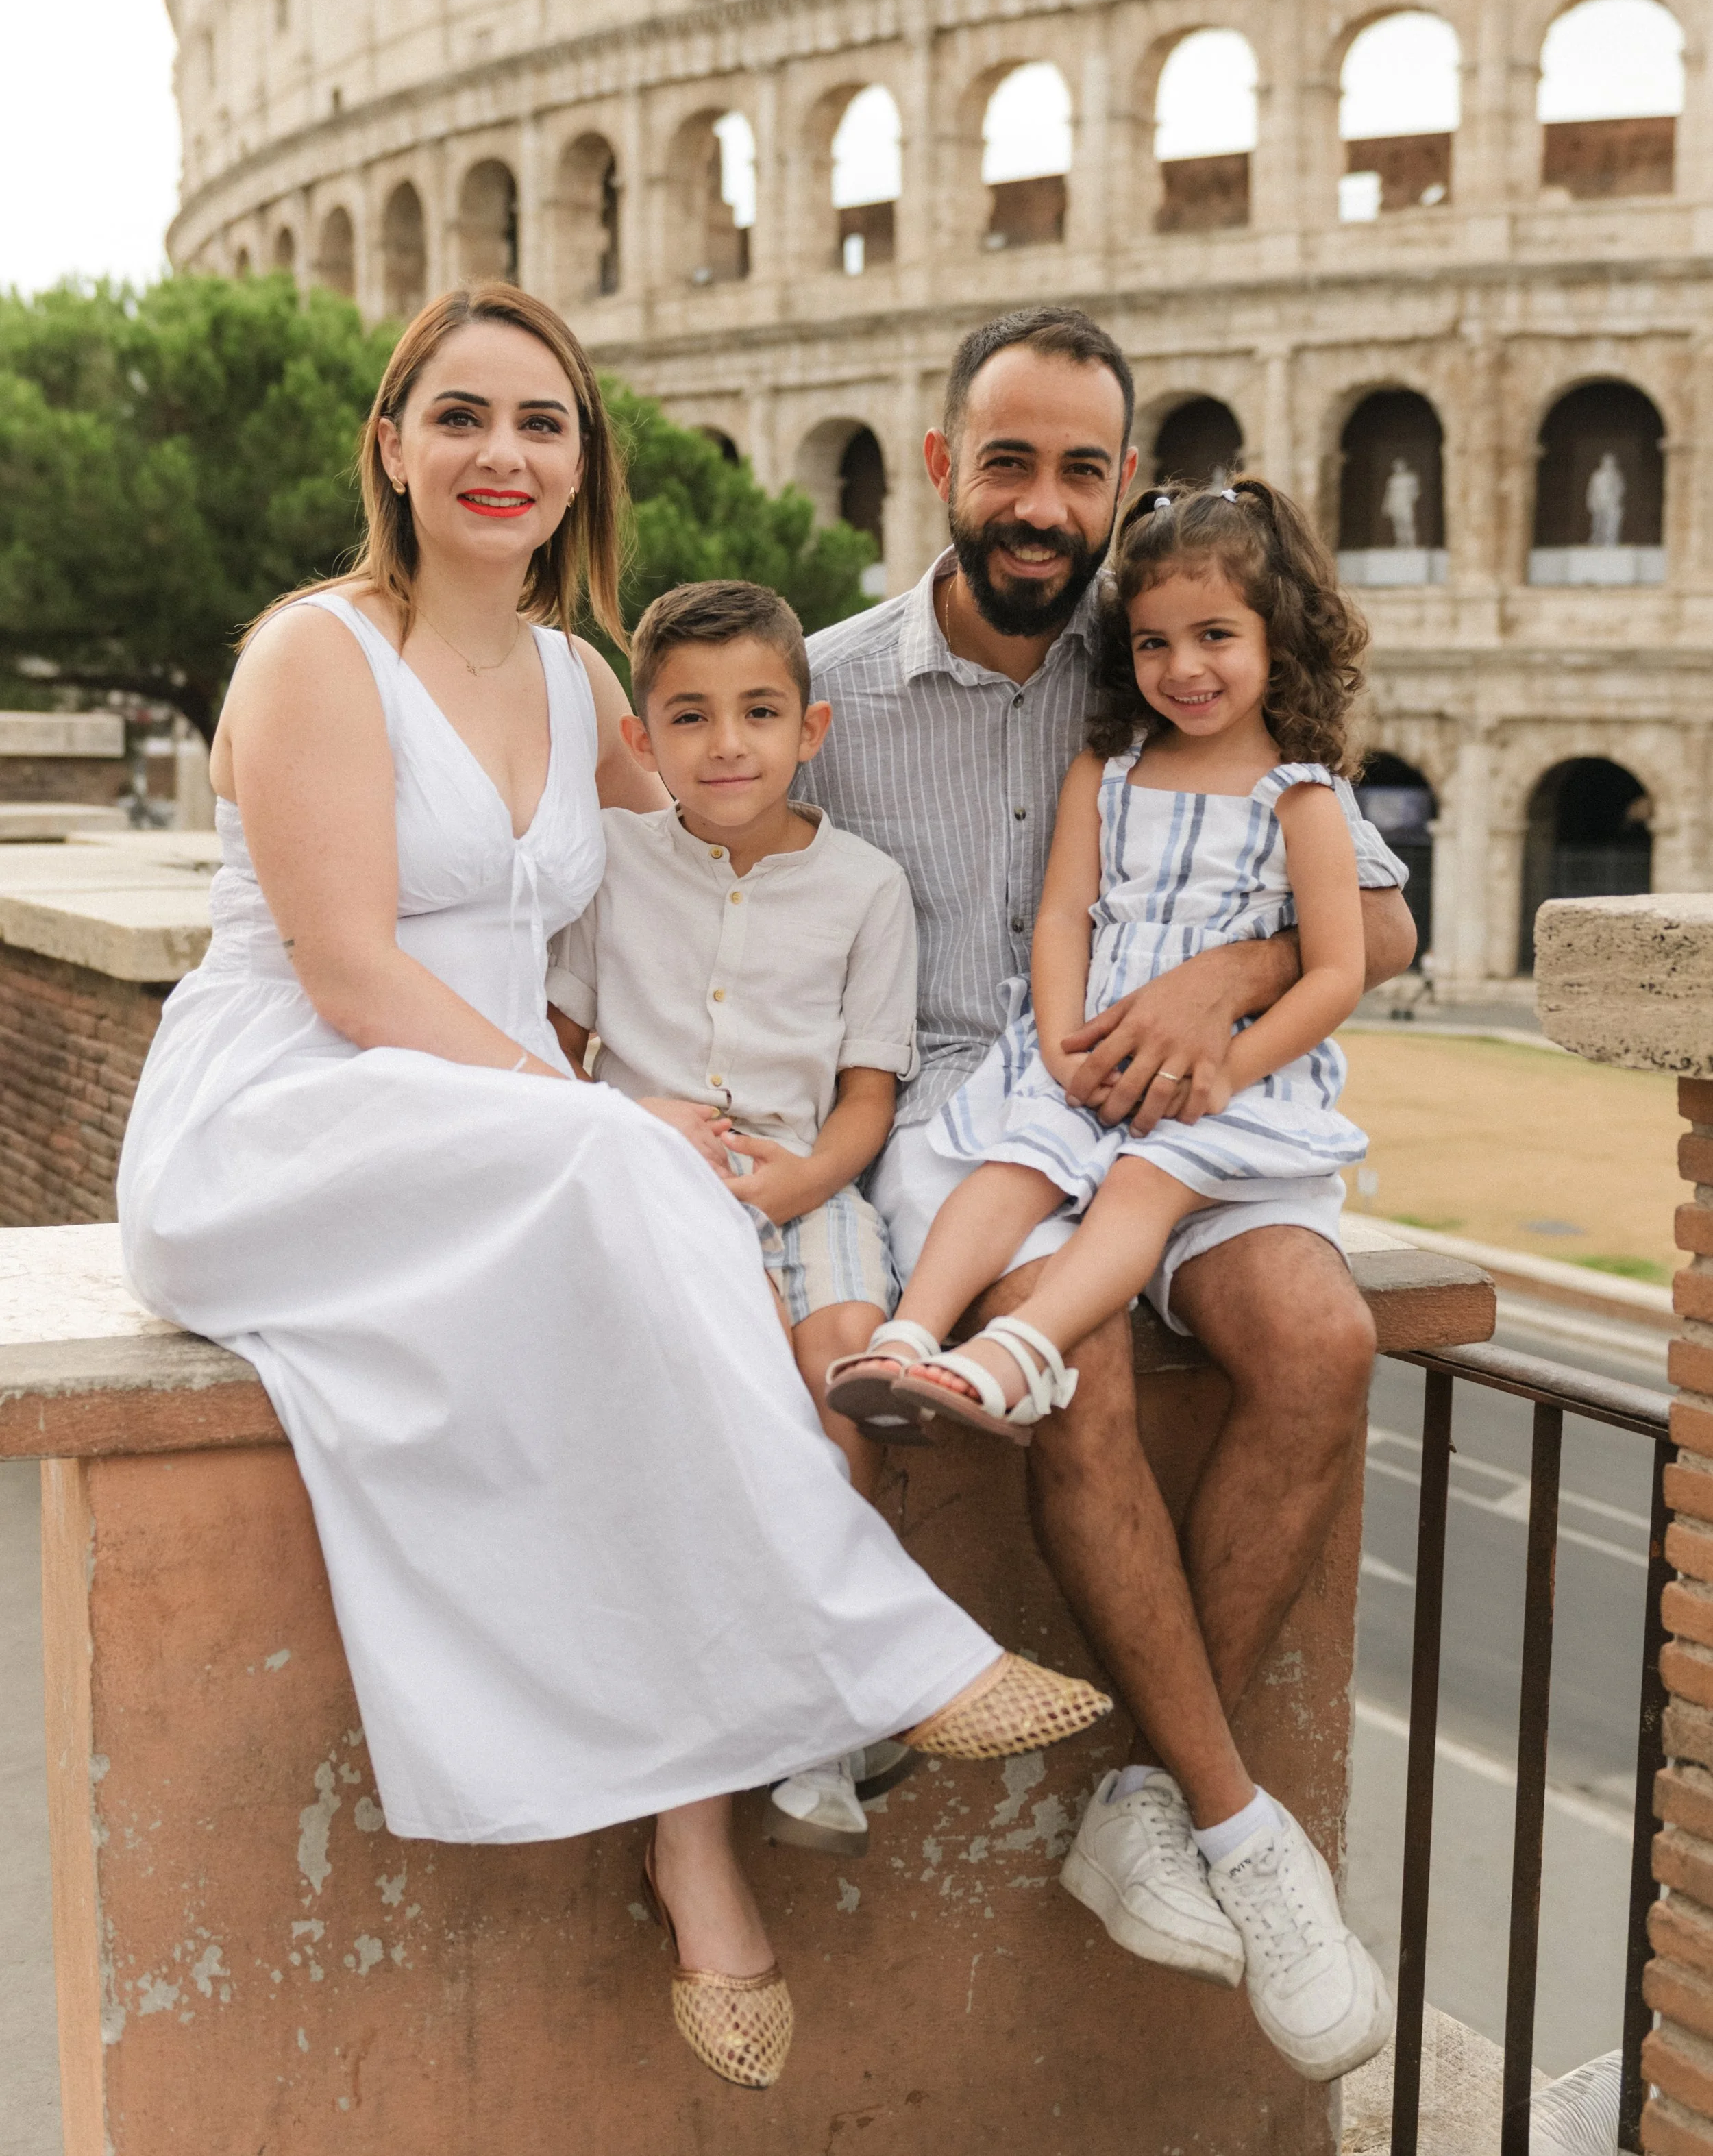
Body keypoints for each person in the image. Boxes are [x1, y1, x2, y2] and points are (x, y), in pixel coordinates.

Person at [115, 285, 1109, 2095]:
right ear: (394, 445)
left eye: (543, 423)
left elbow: (753, 819)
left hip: (495, 1141)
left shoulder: (583, 682)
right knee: (623, 1162)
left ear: (584, 465)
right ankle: (883, 1653)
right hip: (287, 1121)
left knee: (639, 1267)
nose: (504, 456)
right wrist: (604, 1112)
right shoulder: (311, 654)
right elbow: (349, 978)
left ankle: (693, 1844)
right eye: (464, 418)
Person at [798, 306, 1416, 2084]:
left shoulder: (1163, 652)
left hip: (1197, 1110)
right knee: (1078, 1373)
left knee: (1319, 1331)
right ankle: (1236, 1824)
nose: (1042, 501)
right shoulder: (830, 694)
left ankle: (1142, 1804)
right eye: (1009, 459)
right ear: (940, 465)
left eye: (1081, 467)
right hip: (984, 1127)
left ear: (1121, 481)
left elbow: (1376, 922)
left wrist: (1221, 978)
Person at [837, 477, 1372, 1454]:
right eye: (1153, 642)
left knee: (1138, 1188)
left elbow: (1338, 971)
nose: (1184, 667)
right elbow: (1061, 919)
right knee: (1013, 1165)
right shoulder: (1111, 765)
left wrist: (1226, 1072)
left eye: (1216, 636)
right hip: (1085, 1049)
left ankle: (1020, 1353)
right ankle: (908, 1336)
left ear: (1276, 638)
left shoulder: (1302, 796)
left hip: (1224, 1083)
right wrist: (1056, 1048)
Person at [545, 576, 924, 1854]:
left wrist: (805, 1184)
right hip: (658, 1196)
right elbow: (557, 1044)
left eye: (760, 712)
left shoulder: (868, 886)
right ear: (640, 742)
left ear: (810, 730)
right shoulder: (613, 867)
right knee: (747, 1398)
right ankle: (802, 1703)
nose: (728, 745)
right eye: (691, 718)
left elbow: (869, 1094)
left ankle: (827, 1714)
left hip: (810, 1186)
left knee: (846, 1385)